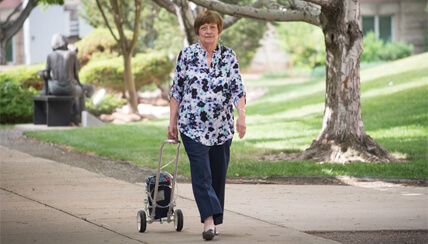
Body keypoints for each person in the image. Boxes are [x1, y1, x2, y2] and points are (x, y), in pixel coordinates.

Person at [168, 11, 246, 241]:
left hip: (221, 128)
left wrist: (241, 114)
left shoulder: (229, 56)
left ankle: (214, 217)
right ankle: (208, 222)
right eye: (204, 28)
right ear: (197, 32)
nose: (208, 31)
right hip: (192, 126)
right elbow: (177, 91)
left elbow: (237, 89)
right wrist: (172, 121)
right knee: (201, 174)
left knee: (218, 176)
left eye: (212, 27)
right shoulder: (187, 55)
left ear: (219, 31)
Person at [41, 34, 89, 125]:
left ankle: (49, 116)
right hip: (69, 88)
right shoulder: (72, 54)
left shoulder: (50, 55)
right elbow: (76, 73)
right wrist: (80, 84)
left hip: (55, 89)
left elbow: (46, 73)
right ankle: (78, 118)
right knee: (81, 92)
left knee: (49, 89)